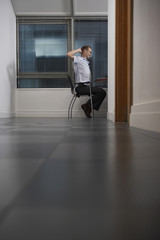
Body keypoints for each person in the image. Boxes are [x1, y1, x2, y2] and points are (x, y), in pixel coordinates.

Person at [67, 46, 106, 118]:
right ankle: (87, 106)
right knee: (102, 92)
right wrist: (78, 50)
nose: (91, 54)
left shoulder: (85, 61)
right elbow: (69, 54)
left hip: (86, 86)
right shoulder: (78, 59)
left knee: (102, 92)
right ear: (85, 51)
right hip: (80, 87)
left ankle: (87, 106)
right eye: (90, 52)